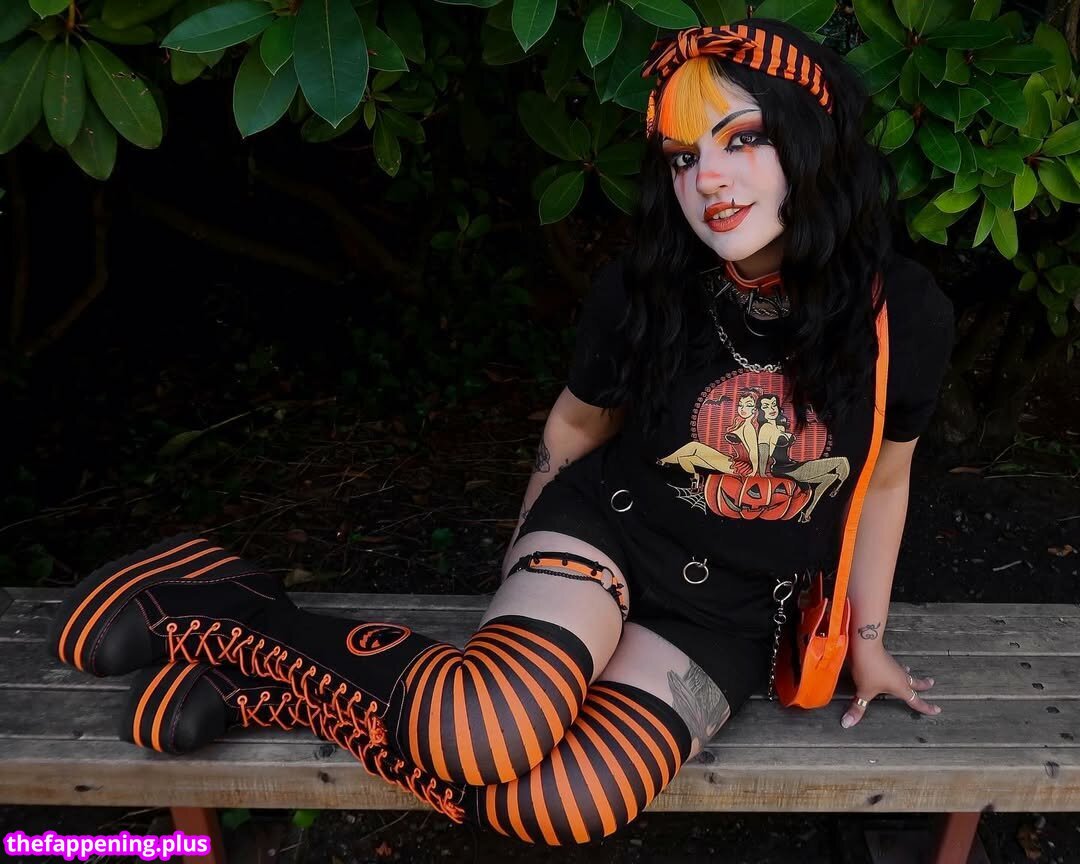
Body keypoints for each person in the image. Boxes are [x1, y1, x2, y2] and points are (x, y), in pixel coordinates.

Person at [46, 18, 955, 846]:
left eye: (742, 138)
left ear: (814, 137)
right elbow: (574, 424)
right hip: (609, 532)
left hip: (731, 616)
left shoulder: (902, 316)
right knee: (484, 724)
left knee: (564, 804)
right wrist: (527, 576)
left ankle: (262, 675)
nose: (707, 180)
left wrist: (868, 640)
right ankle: (221, 609)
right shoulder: (649, 288)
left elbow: (883, 481)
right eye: (682, 157)